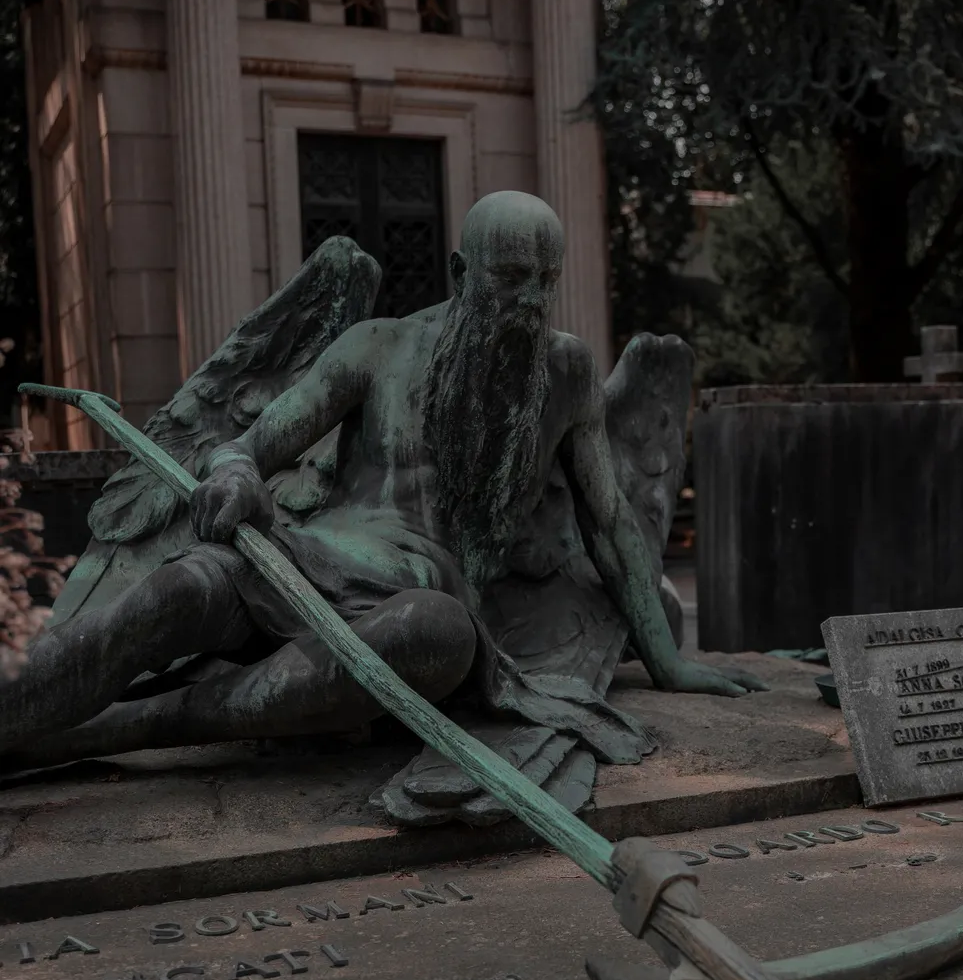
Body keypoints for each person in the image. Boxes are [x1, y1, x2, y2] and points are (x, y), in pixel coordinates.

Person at [1, 191, 762, 784]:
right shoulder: (377, 346)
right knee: (173, 597)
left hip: (420, 600)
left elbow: (613, 527)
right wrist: (232, 476)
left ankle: (115, 731)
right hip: (295, 559)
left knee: (436, 635)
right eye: (509, 281)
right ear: (462, 274)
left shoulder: (565, 375)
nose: (529, 304)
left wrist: (670, 664)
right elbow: (246, 445)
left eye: (545, 284)